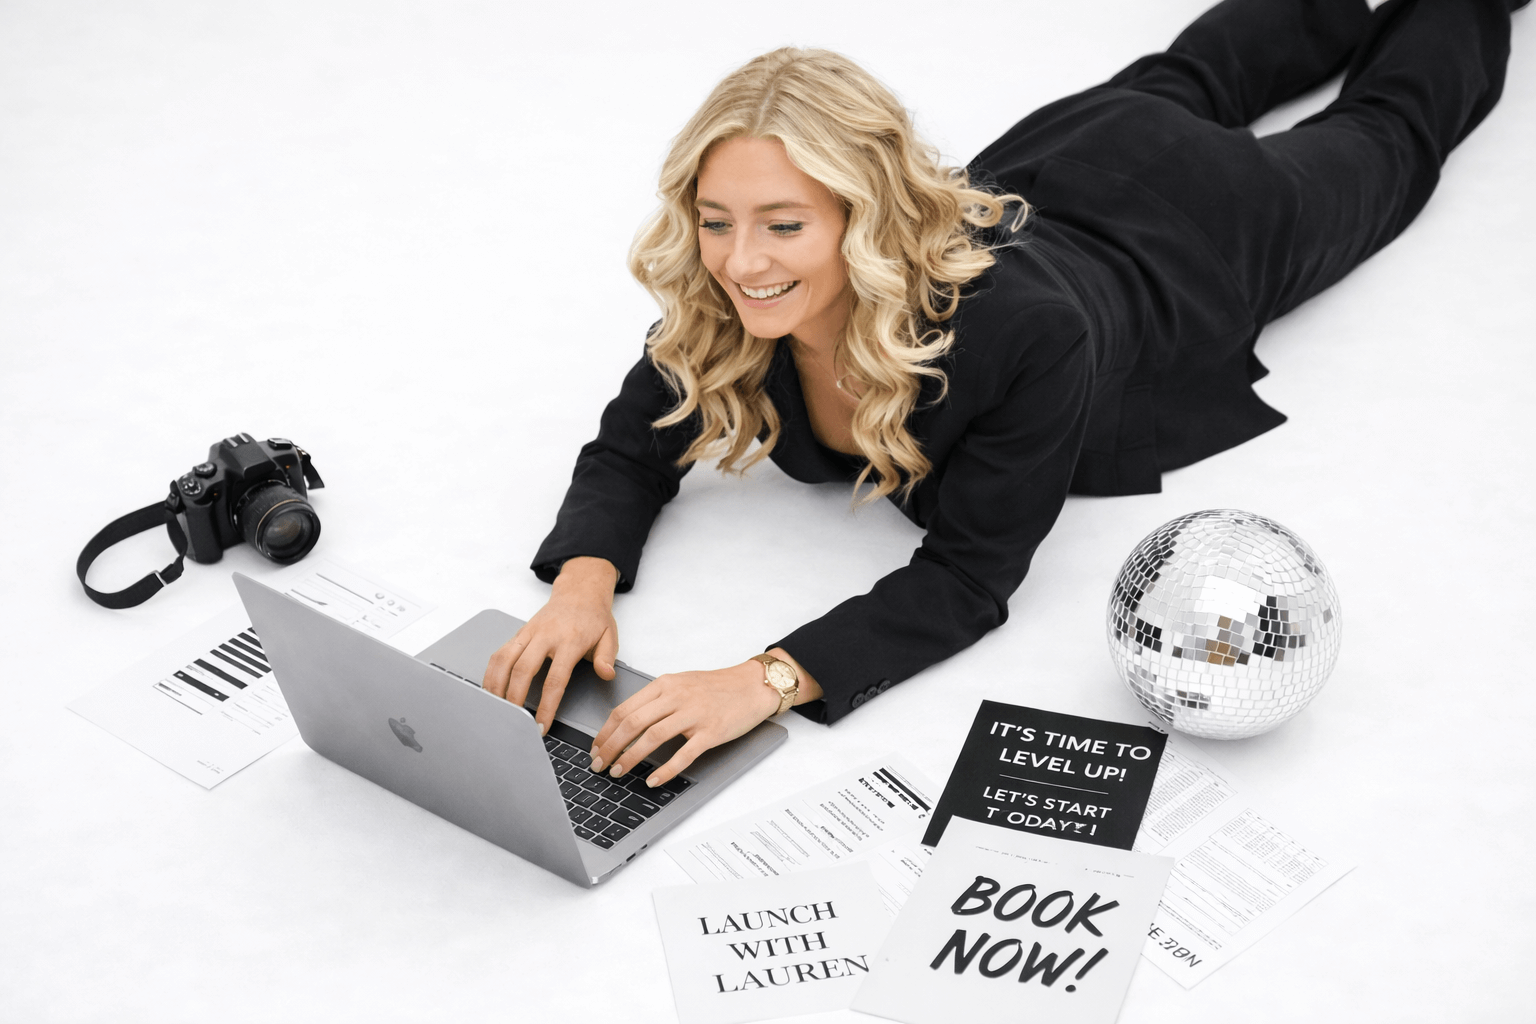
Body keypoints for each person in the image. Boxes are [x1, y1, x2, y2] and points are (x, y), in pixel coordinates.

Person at [481, 0, 1519, 787]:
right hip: (1060, 161)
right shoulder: (734, 299)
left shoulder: (1028, 337)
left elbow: (968, 581)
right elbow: (634, 441)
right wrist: (584, 580)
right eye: (716, 218)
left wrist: (763, 680)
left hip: (1202, 239)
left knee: (1388, 136)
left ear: (861, 212)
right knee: (1189, 75)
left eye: (783, 224)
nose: (740, 260)